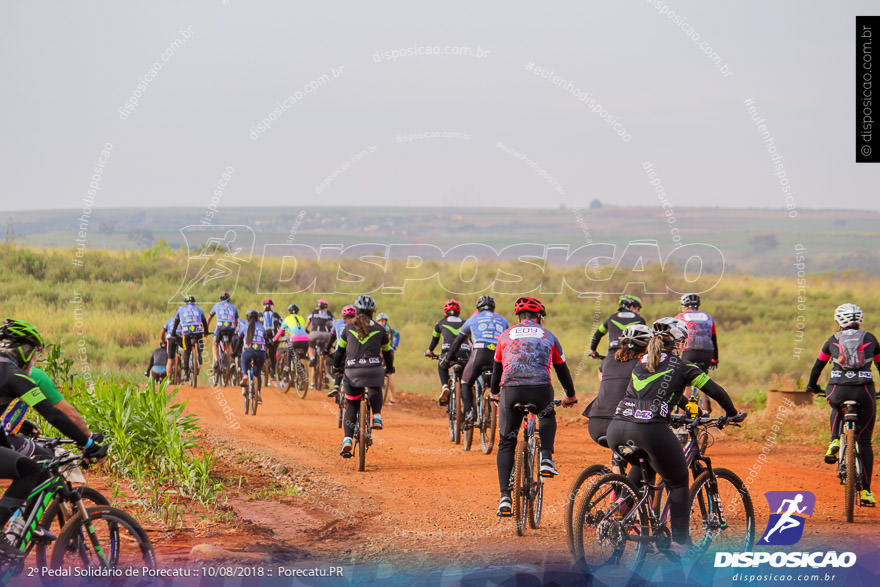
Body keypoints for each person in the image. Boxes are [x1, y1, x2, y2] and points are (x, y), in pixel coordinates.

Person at [606, 317, 740, 555]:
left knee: (646, 461)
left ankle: (622, 504)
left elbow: (662, 390)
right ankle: (680, 544)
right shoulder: (683, 367)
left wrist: (687, 406)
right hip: (649, 429)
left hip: (617, 428)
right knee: (678, 483)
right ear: (679, 343)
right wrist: (732, 414)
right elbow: (715, 390)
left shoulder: (644, 361)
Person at [0, 319, 106, 555]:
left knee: (19, 464)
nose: (34, 359)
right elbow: (53, 414)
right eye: (34, 352)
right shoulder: (14, 375)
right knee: (32, 470)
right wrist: (89, 444)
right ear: (24, 351)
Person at [492, 297, 578, 517]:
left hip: (511, 390)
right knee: (547, 414)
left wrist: (494, 393)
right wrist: (570, 395)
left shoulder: (505, 335)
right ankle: (547, 458)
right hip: (540, 389)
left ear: (518, 317)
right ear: (540, 317)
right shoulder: (548, 335)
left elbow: (497, 370)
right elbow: (562, 369)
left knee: (506, 442)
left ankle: (504, 497)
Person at [806, 303, 879, 505]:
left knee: (837, 405)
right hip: (864, 391)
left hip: (837, 390)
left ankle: (834, 440)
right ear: (860, 320)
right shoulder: (871, 339)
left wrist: (812, 386)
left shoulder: (832, 340)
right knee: (864, 442)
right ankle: (866, 492)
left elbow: (818, 365)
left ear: (839, 321)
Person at [582, 324, 653, 473]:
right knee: (648, 458)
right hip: (620, 422)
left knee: (621, 451)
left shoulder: (607, 360)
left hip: (595, 424)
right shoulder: (643, 366)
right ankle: (628, 492)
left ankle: (617, 486)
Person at [334, 295, 394, 456]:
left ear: (356, 311)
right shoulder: (381, 330)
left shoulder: (348, 329)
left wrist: (336, 368)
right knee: (375, 385)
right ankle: (376, 416)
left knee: (352, 405)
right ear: (373, 312)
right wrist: (390, 368)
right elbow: (388, 353)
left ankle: (347, 439)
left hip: (352, 371)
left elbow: (339, 352)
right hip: (373, 370)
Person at [444, 295, 508, 424]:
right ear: (494, 308)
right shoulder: (503, 320)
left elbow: (458, 341)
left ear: (478, 309)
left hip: (479, 352)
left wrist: (448, 358)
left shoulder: (473, 319)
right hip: (498, 355)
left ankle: (470, 412)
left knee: (465, 383)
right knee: (500, 386)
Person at [675, 293, 719, 413]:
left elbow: (675, 338)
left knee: (686, 383)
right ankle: (706, 411)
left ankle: (683, 416)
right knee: (702, 380)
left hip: (689, 351)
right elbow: (713, 338)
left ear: (684, 306)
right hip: (707, 353)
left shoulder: (679, 317)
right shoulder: (708, 317)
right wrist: (715, 359)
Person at [426, 300, 471, 405]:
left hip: (448, 354)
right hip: (465, 353)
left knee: (442, 366)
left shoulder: (440, 323)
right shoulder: (466, 323)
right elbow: (472, 340)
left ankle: (445, 386)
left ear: (445, 312)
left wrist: (429, 351)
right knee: (466, 379)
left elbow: (435, 340)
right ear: (459, 312)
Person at [589, 295, 646, 363]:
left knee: (601, 370)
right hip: (632, 356)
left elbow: (597, 335)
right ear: (631, 307)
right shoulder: (640, 320)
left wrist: (593, 351)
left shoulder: (611, 318)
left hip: (612, 355)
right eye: (638, 309)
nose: (639, 313)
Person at [171, 295, 209, 380]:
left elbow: (176, 322)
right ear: (194, 302)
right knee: (200, 341)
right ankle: (200, 355)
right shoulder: (199, 309)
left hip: (186, 332)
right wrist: (206, 332)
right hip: (198, 330)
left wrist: (173, 333)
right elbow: (204, 322)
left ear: (185, 303)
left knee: (186, 351)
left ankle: (187, 373)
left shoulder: (180, 309)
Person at [327, 305, 356, 398]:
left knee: (338, 368)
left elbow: (331, 339)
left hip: (340, 351)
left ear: (343, 316)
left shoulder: (337, 323)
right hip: (355, 353)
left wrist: (326, 350)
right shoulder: (358, 325)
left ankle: (336, 385)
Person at [274, 304, 310, 378]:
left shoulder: (287, 319)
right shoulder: (302, 318)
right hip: (306, 341)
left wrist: (274, 339)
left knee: (288, 349)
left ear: (289, 312)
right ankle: (301, 374)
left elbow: (280, 332)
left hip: (295, 340)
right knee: (300, 358)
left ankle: (287, 366)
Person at [239, 309, 267, 404]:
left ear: (247, 318)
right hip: (261, 353)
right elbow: (266, 338)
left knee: (243, 358)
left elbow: (239, 339)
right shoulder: (262, 327)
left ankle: (245, 375)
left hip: (248, 352)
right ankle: (258, 395)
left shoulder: (245, 326)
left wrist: (235, 352)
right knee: (257, 374)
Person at [206, 291, 239, 371]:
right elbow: (236, 320)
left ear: (220, 299)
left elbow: (209, 318)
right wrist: (234, 329)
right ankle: (231, 362)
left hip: (220, 327)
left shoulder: (217, 305)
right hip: (231, 327)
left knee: (215, 343)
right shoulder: (233, 307)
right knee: (229, 344)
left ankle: (216, 361)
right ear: (229, 300)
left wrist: (206, 329)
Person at [306, 299, 334, 387]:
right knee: (325, 355)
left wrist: (307, 331)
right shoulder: (329, 314)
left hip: (314, 334)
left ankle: (312, 358)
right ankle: (326, 376)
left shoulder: (313, 313)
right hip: (327, 335)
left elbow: (306, 325)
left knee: (310, 345)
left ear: (318, 306)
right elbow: (334, 326)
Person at [376, 313, 399, 405]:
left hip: (382, 352)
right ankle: (393, 398)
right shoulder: (390, 329)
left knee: (387, 374)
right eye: (381, 321)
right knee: (389, 373)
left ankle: (392, 397)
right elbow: (398, 335)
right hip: (389, 352)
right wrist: (394, 345)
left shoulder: (379, 329)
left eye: (383, 321)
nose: (382, 322)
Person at [261, 299, 283, 383]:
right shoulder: (276, 315)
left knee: (262, 352)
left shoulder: (260, 314)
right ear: (272, 306)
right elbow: (282, 325)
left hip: (263, 337)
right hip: (274, 337)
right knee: (273, 356)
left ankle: (264, 366)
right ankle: (273, 373)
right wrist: (283, 334)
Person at [161, 314, 182, 380]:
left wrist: (163, 340)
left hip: (170, 338)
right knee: (186, 350)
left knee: (170, 359)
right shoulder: (183, 319)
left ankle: (168, 380)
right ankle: (184, 361)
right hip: (180, 337)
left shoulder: (169, 320)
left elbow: (162, 332)